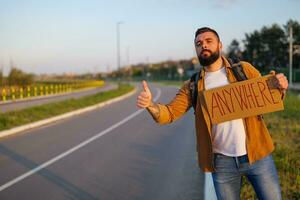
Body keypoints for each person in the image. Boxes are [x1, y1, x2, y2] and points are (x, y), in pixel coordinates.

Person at [136, 27, 288, 200]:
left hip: (258, 154)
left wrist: (280, 87)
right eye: (199, 44)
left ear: (220, 45)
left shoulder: (243, 70)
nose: (204, 46)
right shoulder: (192, 86)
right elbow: (169, 114)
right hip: (222, 164)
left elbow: (268, 97)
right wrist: (150, 105)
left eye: (209, 41)